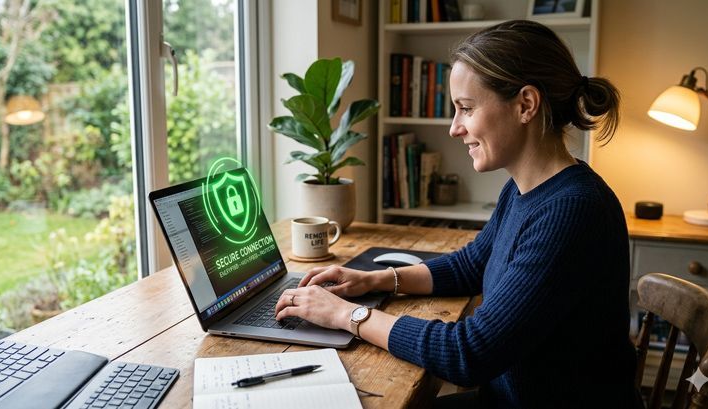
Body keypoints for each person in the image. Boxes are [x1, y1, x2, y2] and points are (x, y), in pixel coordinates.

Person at [275, 20, 642, 408]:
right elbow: (471, 265)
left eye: (466, 108)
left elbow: (469, 353)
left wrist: (348, 316)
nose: (454, 128)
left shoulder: (573, 211)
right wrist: (374, 280)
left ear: (526, 105)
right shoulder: (525, 190)